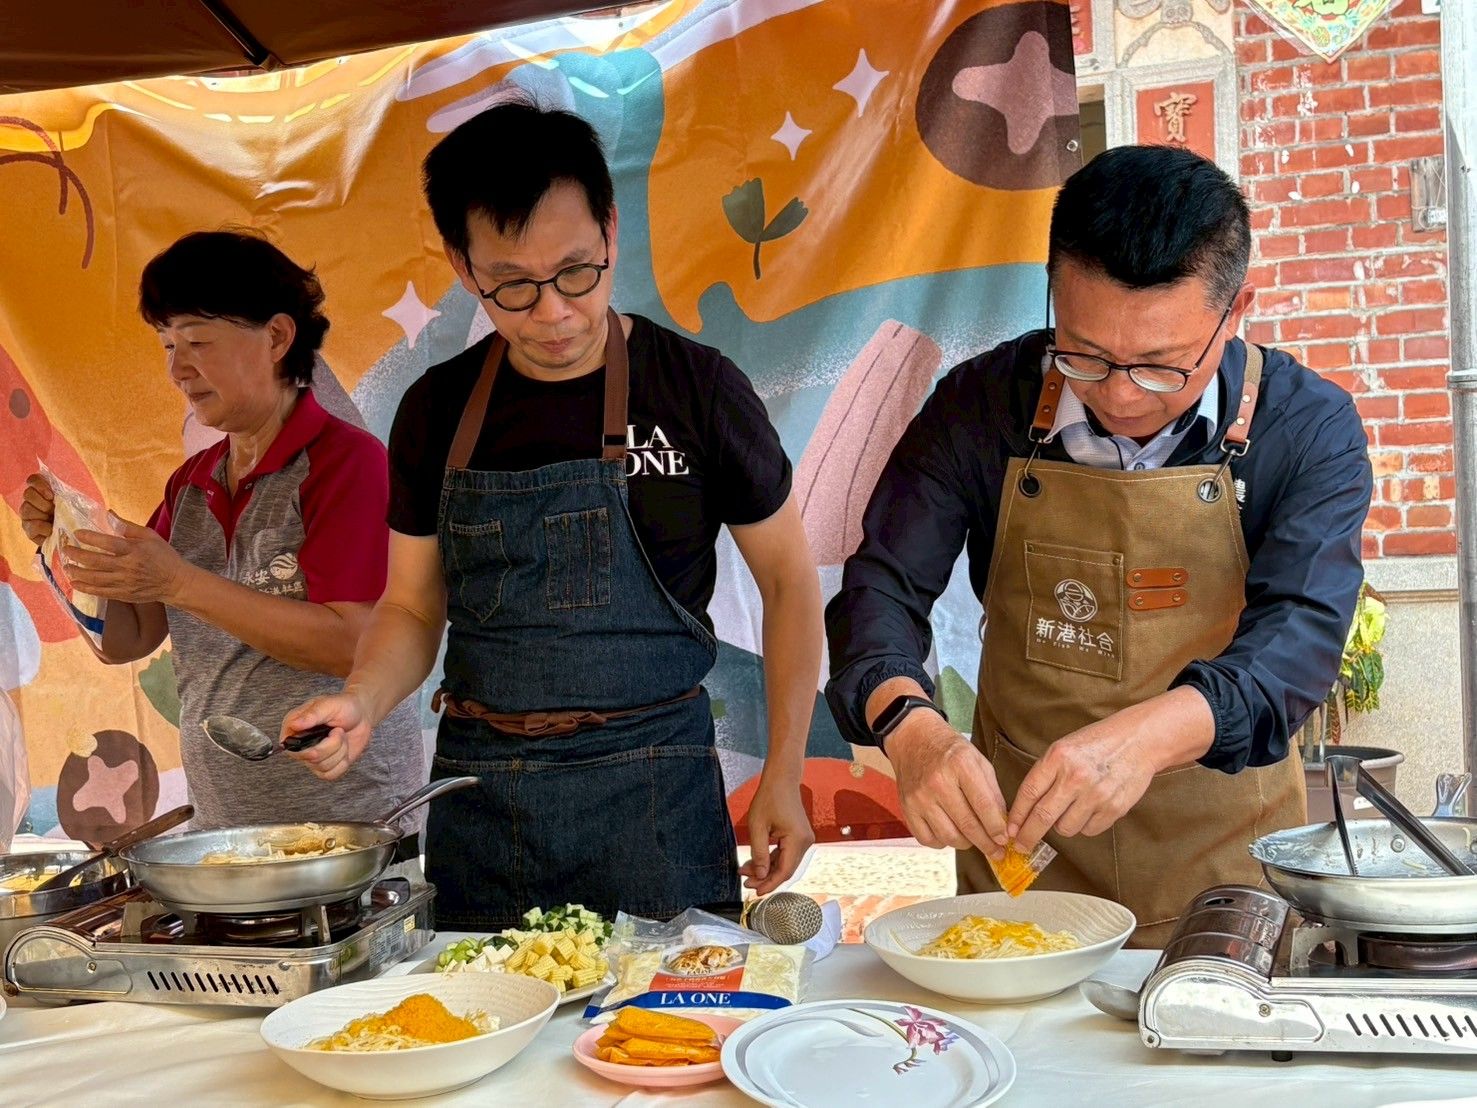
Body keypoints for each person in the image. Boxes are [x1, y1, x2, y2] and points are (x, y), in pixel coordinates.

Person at [281, 101, 822, 928]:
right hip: (483, 794)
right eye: (513, 288)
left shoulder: (698, 389)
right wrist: (361, 699)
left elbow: (787, 582)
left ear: (609, 230)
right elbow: (413, 606)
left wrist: (783, 769)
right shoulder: (438, 410)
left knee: (663, 1041)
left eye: (577, 272)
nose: (555, 313)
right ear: (465, 269)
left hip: (653, 792)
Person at [824, 145, 1373, 946]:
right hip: (1023, 853)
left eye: (1158, 366)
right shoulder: (982, 406)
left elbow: (1299, 641)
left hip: (1222, 860)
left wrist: (1147, 737)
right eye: (1081, 353)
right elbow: (881, 586)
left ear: (1236, 309)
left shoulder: (1306, 428)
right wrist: (909, 727)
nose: (1117, 394)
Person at [20, 231, 425, 830]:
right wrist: (71, 545)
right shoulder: (190, 483)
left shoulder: (347, 462)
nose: (178, 369)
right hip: (227, 833)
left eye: (198, 343)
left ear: (278, 338)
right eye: (166, 346)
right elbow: (126, 639)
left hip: (351, 834)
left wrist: (181, 582)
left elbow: (354, 641)